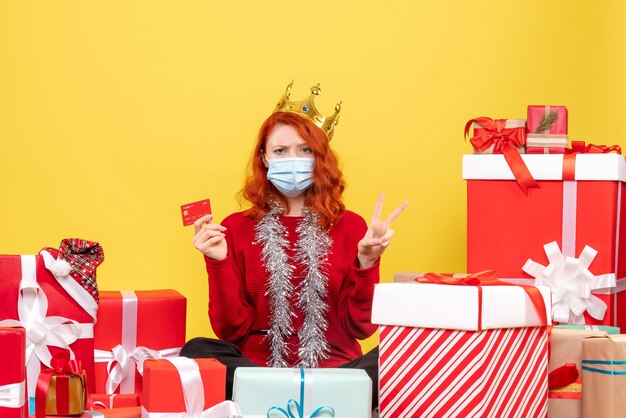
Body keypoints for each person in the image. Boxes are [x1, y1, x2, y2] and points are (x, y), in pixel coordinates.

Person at [181, 82, 408, 406]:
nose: (293, 159)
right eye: (281, 150)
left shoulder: (352, 226)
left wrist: (368, 263)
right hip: (258, 371)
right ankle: (305, 399)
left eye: (305, 150)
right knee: (197, 351)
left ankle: (290, 399)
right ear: (264, 157)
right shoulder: (235, 227)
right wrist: (216, 261)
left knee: (402, 355)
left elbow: (361, 329)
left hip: (339, 372)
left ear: (320, 158)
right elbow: (230, 331)